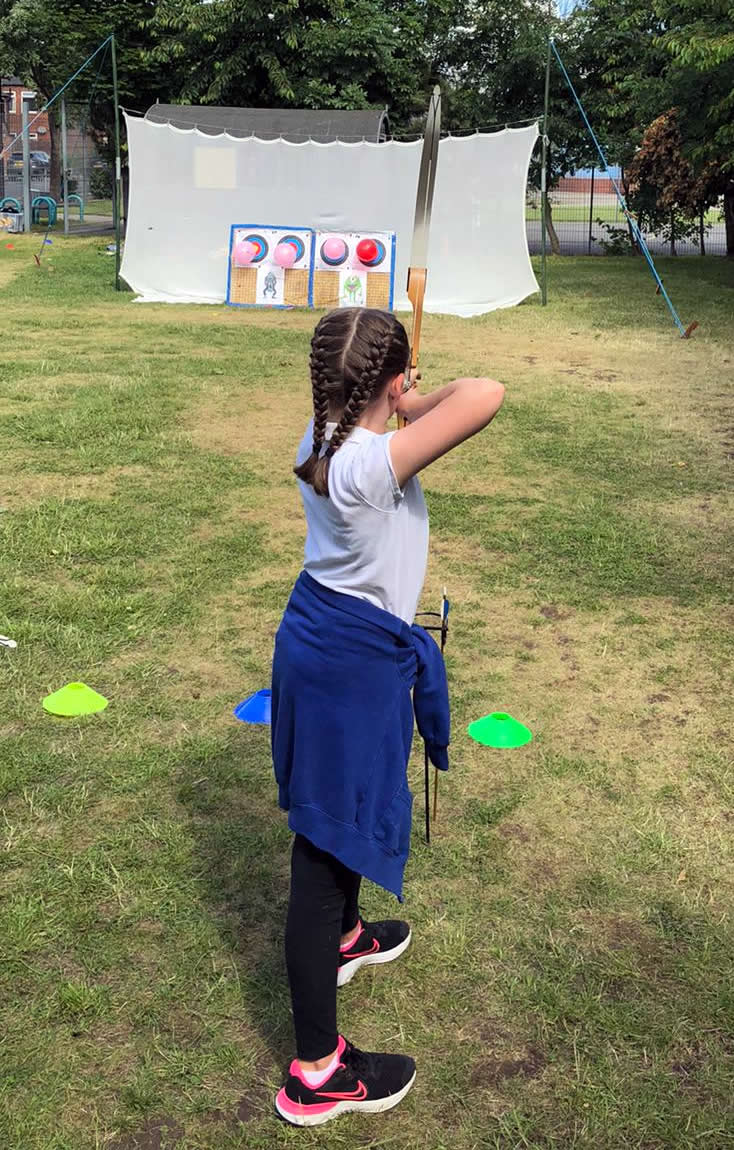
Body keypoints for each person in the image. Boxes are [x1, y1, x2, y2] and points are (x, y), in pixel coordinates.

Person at [271, 307, 504, 1127]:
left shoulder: (324, 430)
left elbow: (420, 402)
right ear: (391, 383)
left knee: (340, 824)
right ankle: (317, 1074)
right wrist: (413, 398)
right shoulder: (369, 464)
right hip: (349, 660)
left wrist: (396, 391)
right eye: (402, 379)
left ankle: (345, 938)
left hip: (324, 636)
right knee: (325, 846)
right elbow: (483, 392)